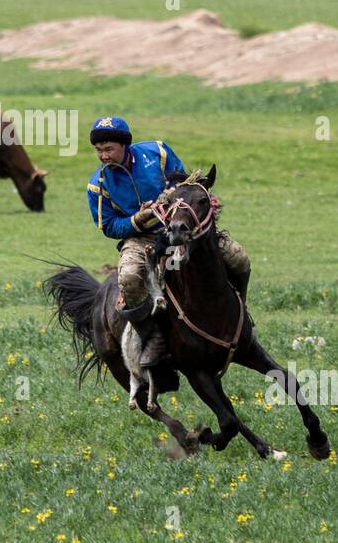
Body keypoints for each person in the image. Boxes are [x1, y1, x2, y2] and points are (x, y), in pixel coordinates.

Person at [85, 116, 251, 368]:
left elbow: (184, 184)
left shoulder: (158, 152)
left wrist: (173, 197)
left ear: (124, 146)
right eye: (99, 151)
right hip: (141, 239)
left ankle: (240, 313)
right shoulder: (97, 185)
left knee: (237, 257)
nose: (104, 156)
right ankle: (153, 336)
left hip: (180, 227)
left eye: (109, 149)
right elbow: (108, 226)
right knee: (129, 279)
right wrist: (138, 219)